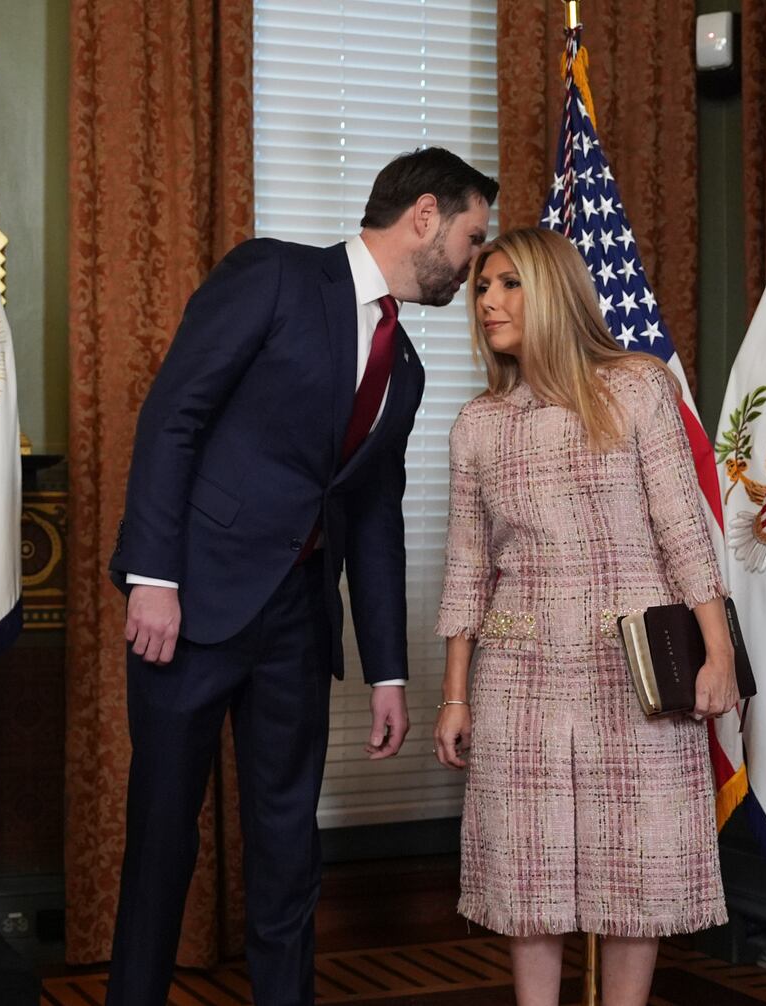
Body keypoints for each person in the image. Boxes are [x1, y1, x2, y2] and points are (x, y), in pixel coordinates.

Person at [107, 147, 498, 1006]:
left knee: (288, 852)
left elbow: (374, 518)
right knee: (164, 841)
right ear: (425, 216)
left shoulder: (408, 369)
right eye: (473, 238)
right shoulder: (273, 275)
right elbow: (175, 416)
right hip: (190, 606)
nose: (475, 264)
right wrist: (154, 576)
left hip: (297, 626)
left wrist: (388, 671)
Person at [432, 227, 739, 1006]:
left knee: (635, 862)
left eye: (508, 284)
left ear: (555, 291)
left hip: (634, 663)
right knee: (526, 870)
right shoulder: (478, 423)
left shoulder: (635, 388)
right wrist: (456, 695)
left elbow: (681, 527)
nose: (489, 301)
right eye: (482, 288)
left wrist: (719, 653)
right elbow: (467, 566)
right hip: (518, 668)